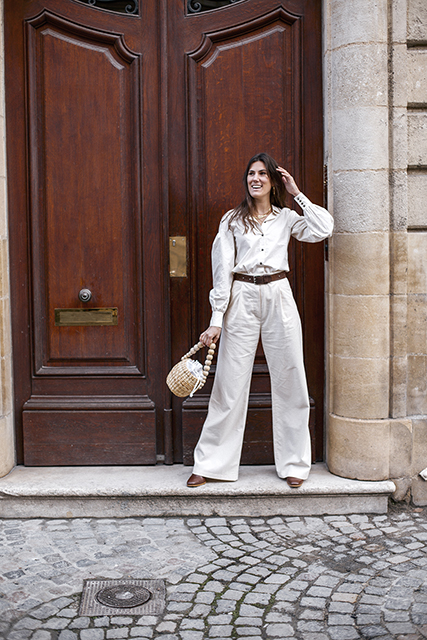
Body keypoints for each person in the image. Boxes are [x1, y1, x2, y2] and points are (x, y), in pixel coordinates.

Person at [186, 152, 334, 489]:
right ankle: (211, 463)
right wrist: (216, 320)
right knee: (229, 380)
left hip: (279, 294)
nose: (255, 179)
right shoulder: (232, 220)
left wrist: (297, 193)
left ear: (273, 181)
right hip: (242, 296)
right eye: (251, 173)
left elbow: (324, 228)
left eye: (263, 174)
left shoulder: (286, 218)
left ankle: (295, 463)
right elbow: (222, 270)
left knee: (291, 376)